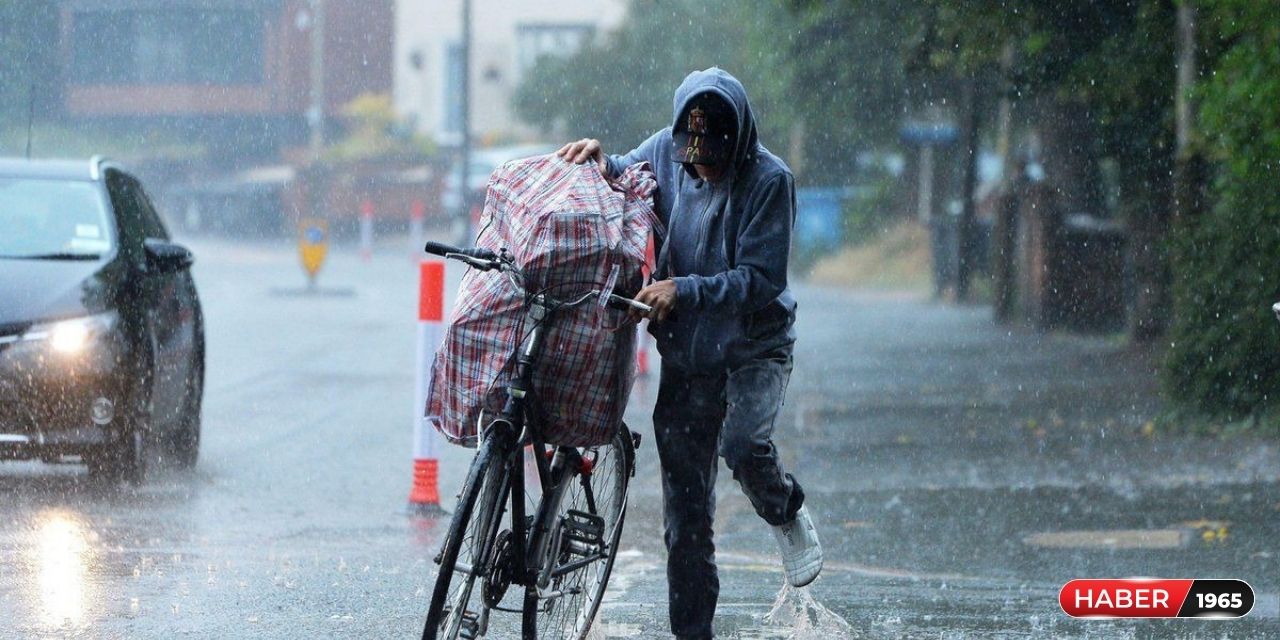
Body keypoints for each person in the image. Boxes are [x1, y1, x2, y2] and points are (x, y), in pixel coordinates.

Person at [558, 67, 821, 640]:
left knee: (744, 445)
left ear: (740, 140)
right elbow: (624, 174)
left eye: (713, 158)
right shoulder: (666, 149)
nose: (700, 168)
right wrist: (601, 160)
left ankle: (784, 508)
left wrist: (686, 289)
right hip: (688, 354)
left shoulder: (770, 181)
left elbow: (761, 278)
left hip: (755, 345)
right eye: (691, 157)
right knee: (686, 519)